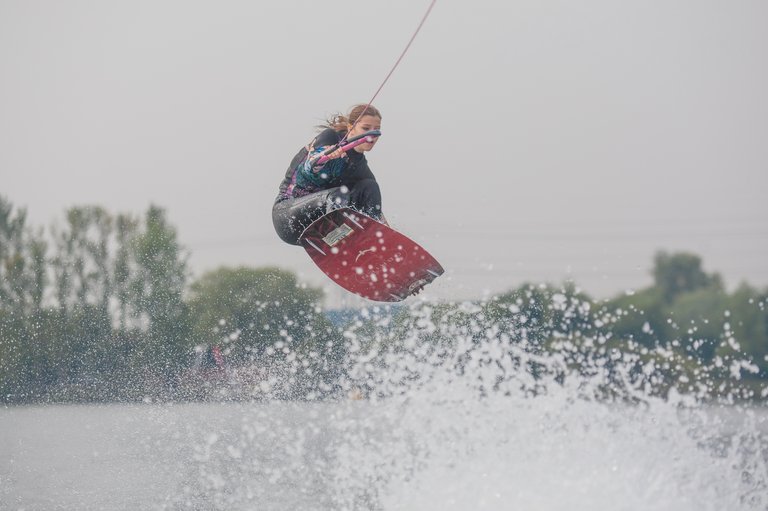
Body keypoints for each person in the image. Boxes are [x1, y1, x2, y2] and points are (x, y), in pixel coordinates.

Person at [272, 104, 385, 245]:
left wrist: (387, 235)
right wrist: (327, 155)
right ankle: (339, 241)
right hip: (289, 216)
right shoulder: (330, 137)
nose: (371, 135)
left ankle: (370, 240)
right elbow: (308, 168)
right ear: (351, 128)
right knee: (338, 195)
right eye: (366, 128)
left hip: (320, 222)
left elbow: (377, 213)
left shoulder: (360, 167)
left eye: (377, 130)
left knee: (370, 187)